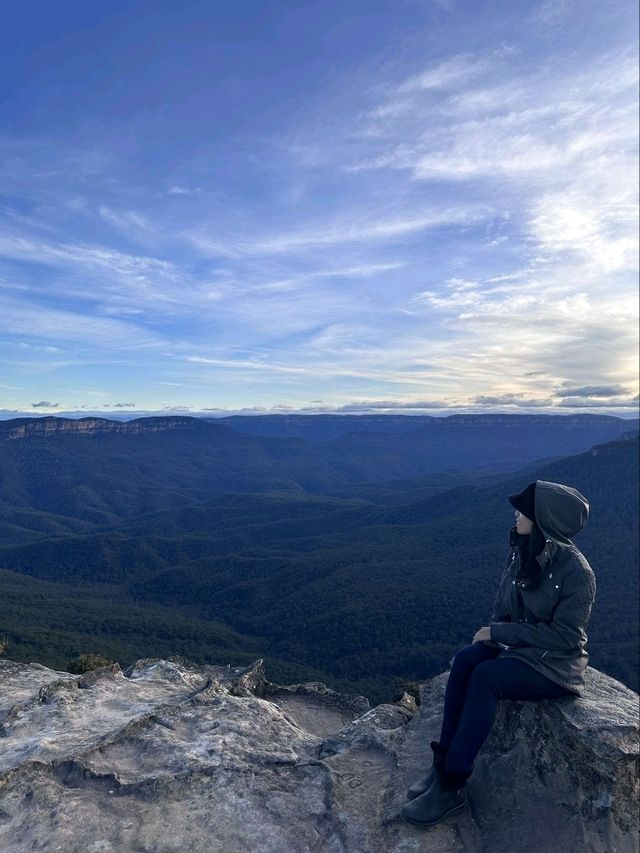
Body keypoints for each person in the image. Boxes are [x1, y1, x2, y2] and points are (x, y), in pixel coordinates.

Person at [400, 479, 597, 828]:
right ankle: (441, 764)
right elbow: (504, 607)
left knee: (486, 678)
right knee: (465, 660)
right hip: (520, 649)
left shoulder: (577, 573)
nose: (516, 514)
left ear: (544, 519)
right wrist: (493, 637)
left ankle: (453, 784)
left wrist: (500, 633)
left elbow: (565, 638)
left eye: (524, 510)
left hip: (555, 666)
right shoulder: (523, 549)